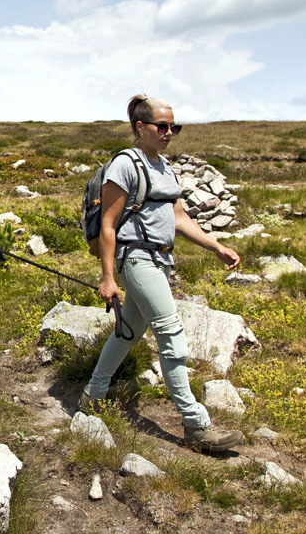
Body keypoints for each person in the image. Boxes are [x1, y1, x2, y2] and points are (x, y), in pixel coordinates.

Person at [79, 94, 244, 453]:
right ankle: (196, 425)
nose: (170, 133)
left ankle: (92, 394)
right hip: (135, 257)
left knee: (129, 332)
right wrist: (108, 279)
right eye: (163, 126)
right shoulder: (125, 164)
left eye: (174, 127)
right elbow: (108, 225)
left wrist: (217, 247)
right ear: (141, 127)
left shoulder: (164, 167)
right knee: (170, 331)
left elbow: (180, 219)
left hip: (159, 260)